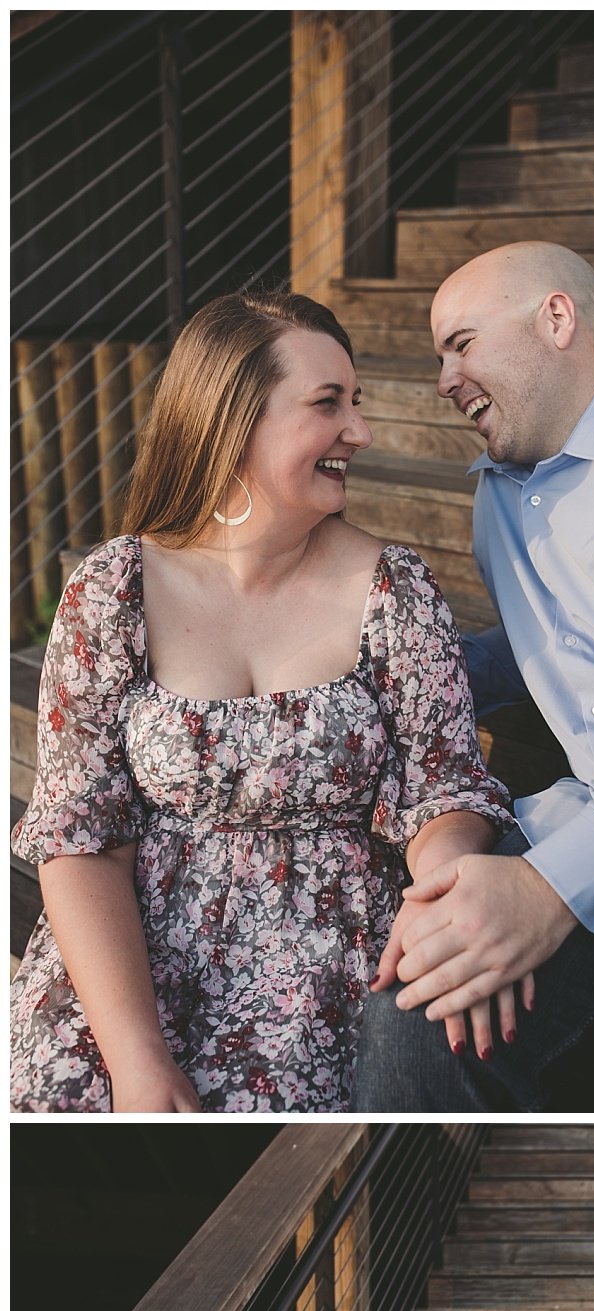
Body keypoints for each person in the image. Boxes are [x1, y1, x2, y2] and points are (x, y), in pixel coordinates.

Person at [10, 289, 513, 1113]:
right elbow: (80, 834)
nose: (361, 431)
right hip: (136, 968)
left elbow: (443, 787)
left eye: (357, 402)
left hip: (334, 968)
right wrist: (136, 1058)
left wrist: (451, 882)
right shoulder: (113, 590)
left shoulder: (396, 588)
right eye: (328, 405)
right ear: (234, 419)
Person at [356, 242, 594, 1112]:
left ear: (556, 319)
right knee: (418, 1005)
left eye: (460, 343)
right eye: (437, 357)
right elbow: (554, 646)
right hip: (586, 826)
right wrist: (426, 670)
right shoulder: (499, 496)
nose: (444, 379)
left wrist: (549, 886)